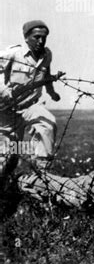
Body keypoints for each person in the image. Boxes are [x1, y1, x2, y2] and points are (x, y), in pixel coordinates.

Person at [0, 20, 62, 182]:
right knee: (7, 157)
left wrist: (52, 93)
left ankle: (41, 174)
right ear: (26, 37)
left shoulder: (46, 55)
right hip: (7, 112)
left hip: (30, 106)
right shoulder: (13, 54)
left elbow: (46, 76)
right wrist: (3, 90)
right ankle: (5, 185)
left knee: (47, 124)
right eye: (36, 37)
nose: (40, 41)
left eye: (44, 37)